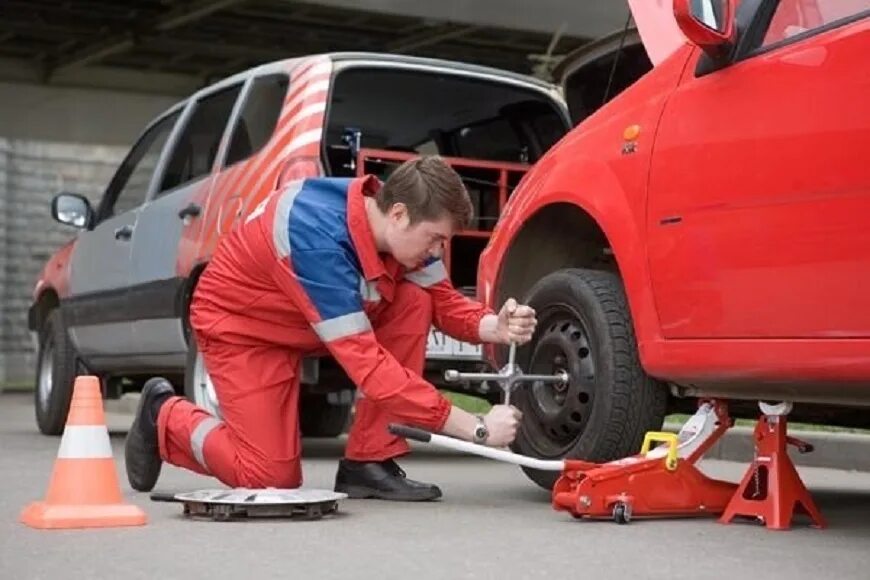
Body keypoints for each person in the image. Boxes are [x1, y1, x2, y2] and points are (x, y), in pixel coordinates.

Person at [124, 156, 536, 501]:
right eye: (435, 239)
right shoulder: (315, 239)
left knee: (414, 300)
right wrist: (477, 429)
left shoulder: (400, 229)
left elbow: (443, 301)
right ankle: (165, 415)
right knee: (270, 478)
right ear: (398, 214)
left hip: (303, 322)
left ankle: (367, 462)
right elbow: (370, 371)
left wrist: (493, 326)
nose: (438, 251)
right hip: (244, 329)